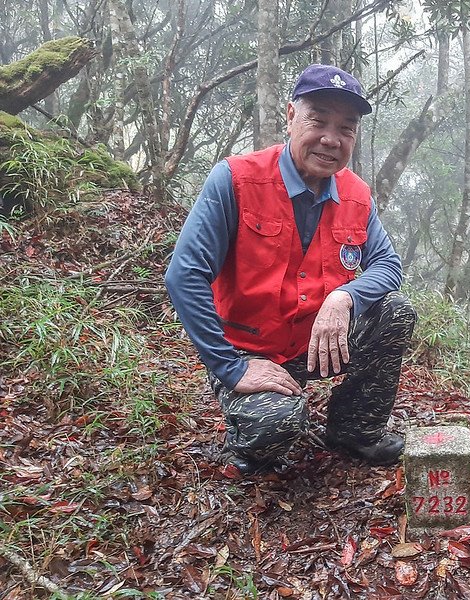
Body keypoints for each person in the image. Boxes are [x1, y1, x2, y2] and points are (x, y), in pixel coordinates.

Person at [165, 64, 416, 475]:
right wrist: (231, 366)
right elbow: (185, 275)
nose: (331, 139)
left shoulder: (356, 194)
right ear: (290, 116)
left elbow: (387, 264)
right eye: (318, 120)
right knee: (273, 431)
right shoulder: (236, 179)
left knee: (395, 311)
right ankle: (249, 433)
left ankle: (355, 430)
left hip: (315, 343)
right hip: (249, 348)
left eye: (347, 128)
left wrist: (344, 297)